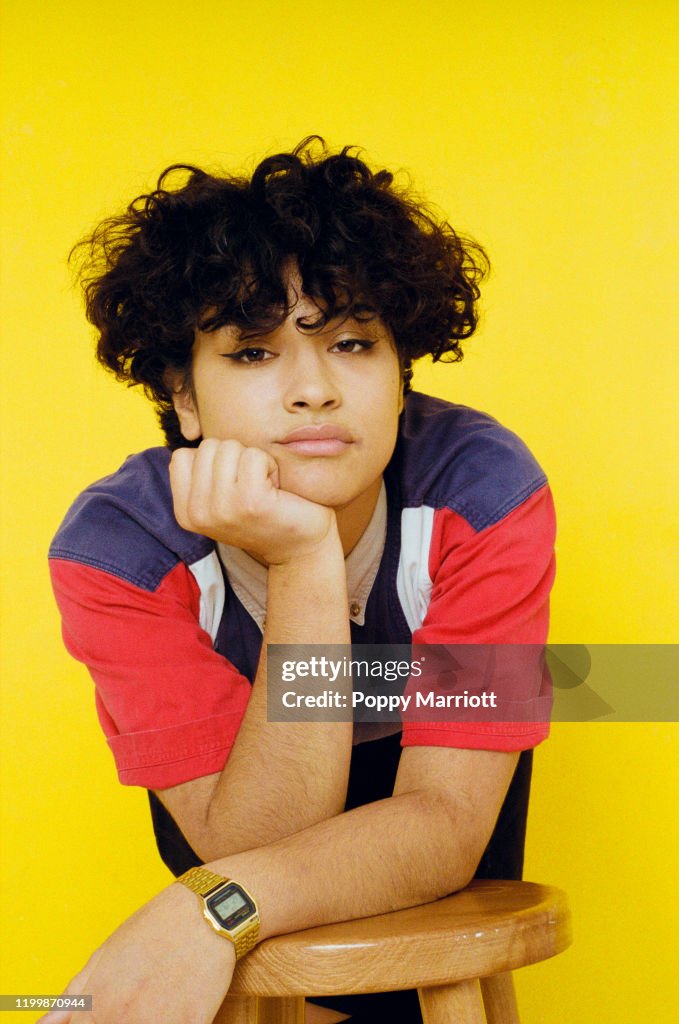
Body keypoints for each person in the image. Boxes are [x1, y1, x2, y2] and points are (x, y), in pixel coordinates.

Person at [44, 136, 556, 1024]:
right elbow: (252, 847)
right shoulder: (114, 553)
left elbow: (443, 820)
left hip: (432, 757)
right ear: (186, 400)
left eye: (353, 343)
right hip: (245, 786)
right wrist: (304, 561)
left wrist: (207, 909)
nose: (312, 389)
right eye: (252, 353)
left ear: (401, 378)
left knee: (613, 678)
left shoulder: (485, 491)